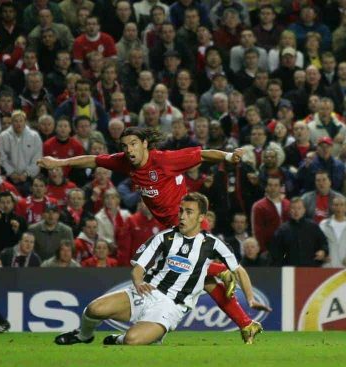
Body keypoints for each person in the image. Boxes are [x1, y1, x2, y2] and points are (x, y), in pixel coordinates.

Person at [38, 126, 267, 342]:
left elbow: (203, 155)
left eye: (134, 144)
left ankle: (221, 271)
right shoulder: (125, 162)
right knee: (204, 281)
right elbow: (93, 160)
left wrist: (228, 157)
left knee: (192, 270)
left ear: (145, 144)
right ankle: (245, 321)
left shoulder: (164, 160)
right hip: (171, 230)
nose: (129, 150)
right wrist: (59, 161)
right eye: (125, 145)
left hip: (187, 224)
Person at [54, 193, 266, 346]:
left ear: (201, 217)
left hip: (171, 306)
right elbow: (139, 266)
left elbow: (239, 270)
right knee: (94, 309)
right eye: (181, 210)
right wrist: (138, 282)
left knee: (131, 340)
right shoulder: (165, 237)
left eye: (189, 212)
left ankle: (136, 337)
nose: (182, 216)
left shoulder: (213, 244)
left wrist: (250, 297)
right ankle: (83, 336)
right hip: (147, 291)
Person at [269, 197, 329, 267]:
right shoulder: (282, 230)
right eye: (293, 208)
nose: (296, 211)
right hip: (289, 270)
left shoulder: (313, 226)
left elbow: (324, 243)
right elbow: (275, 252)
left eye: (299, 208)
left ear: (304, 210)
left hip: (311, 269)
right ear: (289, 210)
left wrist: (323, 251)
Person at [319, 196, 346, 268]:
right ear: (332, 207)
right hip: (328, 267)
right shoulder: (323, 224)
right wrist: (322, 256)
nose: (339, 207)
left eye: (342, 204)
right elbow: (317, 243)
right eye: (336, 205)